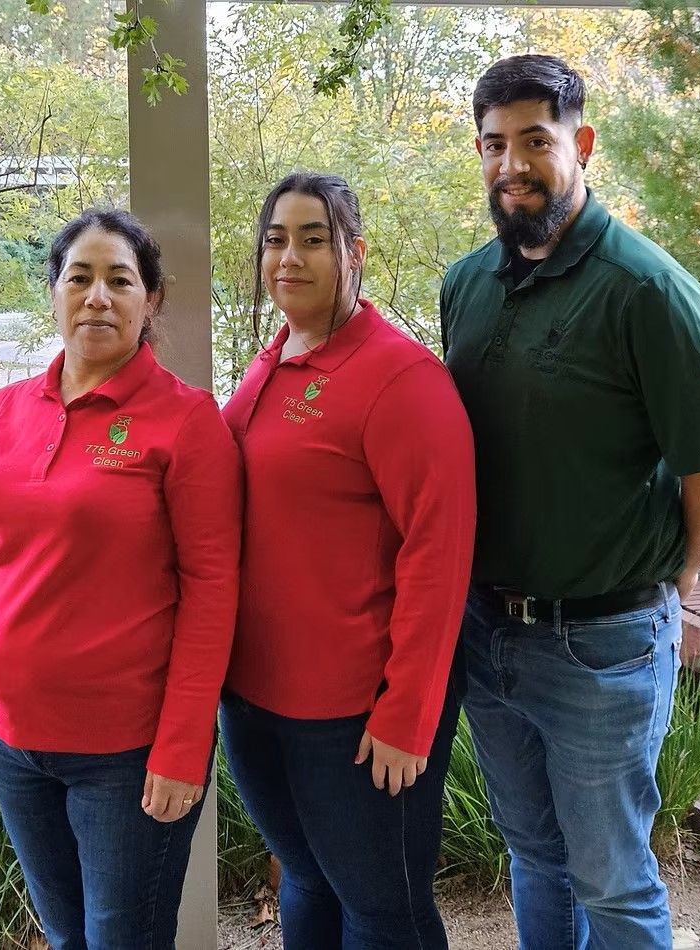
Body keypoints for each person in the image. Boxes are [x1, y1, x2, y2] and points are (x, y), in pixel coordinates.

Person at [441, 55, 700, 949]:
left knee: (613, 883)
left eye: (536, 140)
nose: (514, 164)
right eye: (495, 144)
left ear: (580, 144)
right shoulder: (466, 285)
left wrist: (682, 568)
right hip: (489, 634)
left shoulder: (647, 288)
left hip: (603, 647)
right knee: (534, 857)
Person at [0, 208, 241, 950]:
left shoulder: (186, 423)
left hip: (124, 755)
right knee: (66, 937)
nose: (98, 296)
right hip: (13, 739)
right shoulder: (3, 413)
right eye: (80, 278)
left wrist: (183, 747)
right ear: (55, 293)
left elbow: (212, 592)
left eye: (119, 280)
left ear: (149, 301)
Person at [219, 171, 476, 950]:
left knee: (380, 908)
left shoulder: (402, 381)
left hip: (355, 717)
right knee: (305, 878)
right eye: (275, 239)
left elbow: (441, 556)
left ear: (355, 252)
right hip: (256, 700)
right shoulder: (271, 363)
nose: (288, 257)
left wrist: (407, 713)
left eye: (313, 238)